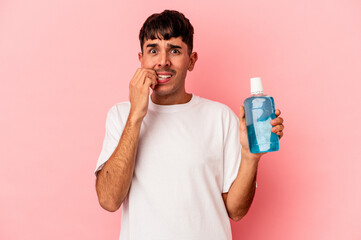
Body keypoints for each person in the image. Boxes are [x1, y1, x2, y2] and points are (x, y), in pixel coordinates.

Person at [94, 9, 284, 240]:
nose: (163, 61)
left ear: (191, 61)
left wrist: (250, 156)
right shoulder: (120, 115)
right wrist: (136, 115)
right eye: (153, 50)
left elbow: (236, 211)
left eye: (174, 51)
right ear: (141, 59)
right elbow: (108, 200)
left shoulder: (220, 117)